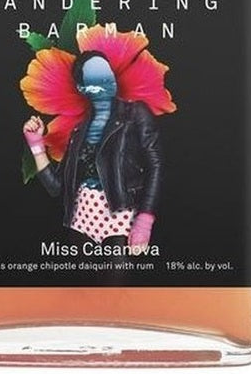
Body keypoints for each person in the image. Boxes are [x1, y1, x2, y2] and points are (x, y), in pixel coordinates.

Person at [23, 50, 162, 252]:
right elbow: (56, 187)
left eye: (108, 73)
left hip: (121, 215)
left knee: (116, 274)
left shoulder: (135, 114)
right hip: (81, 218)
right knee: (83, 274)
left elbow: (155, 165)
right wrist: (36, 144)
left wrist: (145, 220)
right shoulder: (78, 132)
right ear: (82, 88)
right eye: (97, 77)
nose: (106, 80)